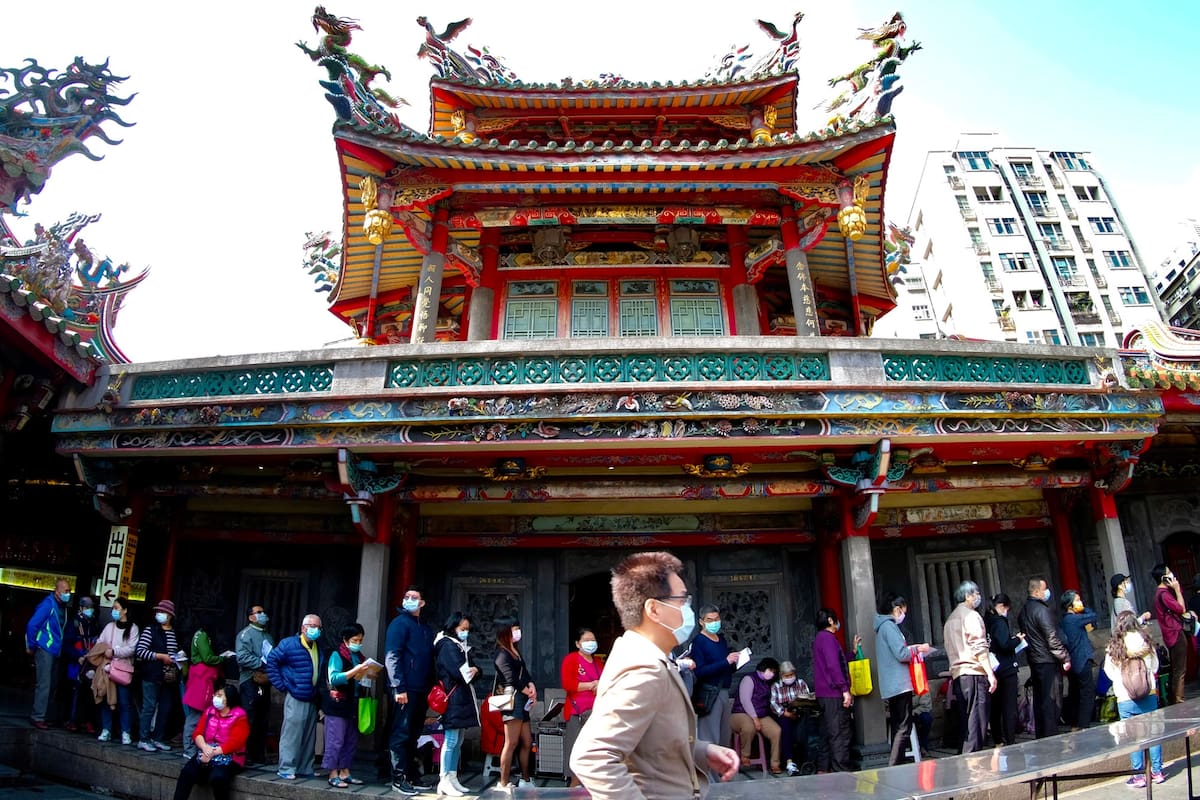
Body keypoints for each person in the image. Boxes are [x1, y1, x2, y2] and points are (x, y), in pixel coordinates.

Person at [570, 551, 738, 799]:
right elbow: (592, 757)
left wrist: (701, 751)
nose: (687, 608)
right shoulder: (643, 669)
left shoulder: (651, 657)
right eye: (682, 600)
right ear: (654, 609)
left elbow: (651, 745)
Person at [1103, 611, 1165, 788]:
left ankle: (1138, 775)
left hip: (1125, 697)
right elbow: (1155, 666)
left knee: (1131, 736)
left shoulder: (1115, 645)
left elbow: (1109, 671)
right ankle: (1157, 772)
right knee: (1153, 733)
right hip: (1148, 693)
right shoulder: (1146, 641)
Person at [385, 586, 435, 796]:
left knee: (414, 734)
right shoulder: (399, 623)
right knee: (401, 733)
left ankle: (412, 775)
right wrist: (398, 686)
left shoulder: (424, 628)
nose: (409, 600)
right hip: (405, 689)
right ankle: (398, 778)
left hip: (421, 689)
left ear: (422, 603)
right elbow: (392, 655)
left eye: (414, 597)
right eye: (407, 596)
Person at [874, 592, 933, 765]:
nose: (903, 615)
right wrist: (918, 649)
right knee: (903, 727)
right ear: (897, 609)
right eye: (903, 611)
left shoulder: (882, 627)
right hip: (899, 684)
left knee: (897, 726)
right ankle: (895, 764)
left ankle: (897, 762)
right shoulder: (889, 626)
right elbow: (901, 654)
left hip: (892, 684)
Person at [264, 613, 323, 780]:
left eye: (319, 627)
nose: (316, 630)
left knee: (309, 735)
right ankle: (286, 767)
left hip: (311, 696)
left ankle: (305, 767)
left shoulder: (317, 646)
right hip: (296, 695)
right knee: (292, 734)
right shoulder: (289, 644)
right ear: (303, 628)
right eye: (313, 626)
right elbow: (272, 661)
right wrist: (281, 685)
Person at [943, 580, 996, 754]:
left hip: (959, 674)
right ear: (968, 596)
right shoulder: (971, 616)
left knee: (966, 721)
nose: (978, 597)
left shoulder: (950, 620)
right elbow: (979, 647)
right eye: (976, 594)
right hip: (974, 672)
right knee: (977, 721)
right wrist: (990, 673)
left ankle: (966, 757)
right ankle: (974, 760)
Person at [172, 683, 249, 800]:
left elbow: (236, 742)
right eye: (215, 694)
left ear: (229, 699)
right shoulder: (209, 711)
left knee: (218, 778)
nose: (215, 698)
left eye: (220, 695)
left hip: (231, 756)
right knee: (187, 772)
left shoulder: (240, 716)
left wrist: (212, 753)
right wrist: (204, 747)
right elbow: (197, 733)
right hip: (206, 751)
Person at [1017, 576, 1070, 739]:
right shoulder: (1041, 610)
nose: (1047, 592)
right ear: (1036, 591)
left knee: (1040, 699)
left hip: (1034, 659)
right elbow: (1051, 636)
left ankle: (1041, 734)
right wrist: (1064, 657)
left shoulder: (1023, 611)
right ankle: (1050, 734)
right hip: (1047, 659)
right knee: (1051, 699)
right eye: (1044, 589)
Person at [434, 612, 479, 797]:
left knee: (458, 740)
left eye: (467, 629)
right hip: (453, 698)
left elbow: (474, 669)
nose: (465, 632)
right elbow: (462, 673)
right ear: (453, 627)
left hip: (461, 697)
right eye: (463, 629)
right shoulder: (448, 646)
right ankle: (444, 779)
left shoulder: (460, 646)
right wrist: (473, 671)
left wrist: (476, 670)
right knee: (451, 740)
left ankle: (452, 777)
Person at [321, 623, 370, 789]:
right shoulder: (337, 654)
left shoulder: (359, 656)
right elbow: (334, 678)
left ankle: (345, 771)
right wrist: (355, 671)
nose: (358, 643)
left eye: (360, 640)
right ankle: (332, 773)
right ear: (346, 640)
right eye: (355, 640)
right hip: (337, 703)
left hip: (353, 703)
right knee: (335, 740)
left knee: (350, 740)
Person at [812, 607, 859, 773]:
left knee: (826, 733)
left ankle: (823, 769)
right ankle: (841, 771)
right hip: (833, 693)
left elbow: (836, 662)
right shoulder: (828, 638)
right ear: (831, 620)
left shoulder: (819, 638)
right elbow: (833, 665)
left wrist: (853, 652)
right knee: (839, 734)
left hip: (824, 694)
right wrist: (844, 689)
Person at [493, 616, 536, 789]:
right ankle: (503, 782)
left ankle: (525, 779)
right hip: (512, 700)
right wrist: (527, 690)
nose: (518, 632)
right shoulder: (501, 653)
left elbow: (524, 672)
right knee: (511, 743)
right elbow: (509, 678)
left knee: (527, 741)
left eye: (518, 628)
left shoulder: (514, 650)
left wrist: (531, 685)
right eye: (514, 629)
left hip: (523, 699)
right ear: (505, 631)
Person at [689, 604, 739, 755]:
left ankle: (722, 767)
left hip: (724, 691)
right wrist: (725, 662)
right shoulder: (699, 641)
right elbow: (699, 671)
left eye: (716, 619)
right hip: (709, 692)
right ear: (701, 622)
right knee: (710, 738)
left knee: (724, 736)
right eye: (709, 620)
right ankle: (708, 770)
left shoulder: (721, 640)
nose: (714, 623)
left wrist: (734, 663)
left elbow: (725, 667)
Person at [136, 599, 184, 752]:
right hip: (151, 674)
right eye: (158, 611)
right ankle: (143, 738)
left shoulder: (175, 632)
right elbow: (140, 651)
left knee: (165, 708)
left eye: (163, 612)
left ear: (170, 615)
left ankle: (158, 738)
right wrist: (160, 656)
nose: (160, 614)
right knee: (149, 707)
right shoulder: (151, 630)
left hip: (169, 677)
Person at [561, 627, 604, 788]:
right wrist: (590, 685)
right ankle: (573, 786)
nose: (590, 643)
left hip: (596, 713)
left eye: (593, 640)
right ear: (578, 643)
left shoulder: (598, 662)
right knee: (576, 751)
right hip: (577, 713)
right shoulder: (571, 659)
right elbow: (568, 684)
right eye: (586, 640)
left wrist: (601, 685)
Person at [25, 577, 71, 729]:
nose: (68, 594)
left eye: (69, 591)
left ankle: (45, 716)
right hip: (45, 648)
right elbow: (32, 625)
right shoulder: (48, 605)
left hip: (55, 650)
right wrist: (32, 645)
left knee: (52, 684)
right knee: (44, 684)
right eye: (66, 591)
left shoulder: (62, 607)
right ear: (57, 591)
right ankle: (37, 716)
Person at [234, 604, 273, 765]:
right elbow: (242, 657)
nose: (263, 614)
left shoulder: (268, 636)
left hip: (265, 680)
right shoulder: (245, 634)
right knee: (249, 717)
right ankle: (245, 753)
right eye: (259, 612)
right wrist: (261, 663)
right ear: (251, 617)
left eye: (263, 612)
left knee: (263, 718)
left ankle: (259, 754)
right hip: (250, 680)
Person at [730, 657, 783, 774]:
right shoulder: (749, 679)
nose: (772, 674)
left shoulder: (767, 683)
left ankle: (775, 763)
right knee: (749, 727)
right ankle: (745, 755)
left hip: (761, 714)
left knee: (776, 731)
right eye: (770, 670)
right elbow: (745, 700)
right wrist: (754, 718)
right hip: (741, 713)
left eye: (774, 672)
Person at [96, 597, 138, 744]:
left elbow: (132, 649)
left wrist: (114, 651)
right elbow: (100, 642)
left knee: (124, 701)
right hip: (108, 669)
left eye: (116, 608)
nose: (113, 611)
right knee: (106, 699)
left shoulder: (133, 628)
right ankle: (106, 730)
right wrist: (105, 650)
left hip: (122, 671)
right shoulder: (109, 627)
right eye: (113, 608)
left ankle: (125, 732)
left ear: (125, 610)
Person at [984, 593, 1024, 746]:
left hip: (993, 667)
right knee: (1009, 706)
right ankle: (1010, 738)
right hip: (1006, 668)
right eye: (1007, 608)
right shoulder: (999, 622)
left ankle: (997, 739)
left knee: (995, 707)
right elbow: (1005, 644)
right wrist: (1017, 640)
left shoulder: (986, 621)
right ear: (1001, 606)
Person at [1151, 563, 1194, 704]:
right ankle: (1178, 699)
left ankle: (1174, 698)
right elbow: (1181, 608)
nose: (1172, 574)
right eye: (1169, 572)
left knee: (1176, 668)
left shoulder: (1161, 594)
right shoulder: (1163, 594)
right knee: (1180, 669)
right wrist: (1176, 589)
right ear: (1163, 578)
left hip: (1169, 635)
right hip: (1175, 633)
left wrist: (1175, 588)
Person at [182, 625, 226, 759]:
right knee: (194, 718)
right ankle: (189, 749)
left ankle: (193, 748)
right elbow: (207, 657)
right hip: (202, 682)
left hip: (201, 680)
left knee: (198, 718)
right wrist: (222, 658)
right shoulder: (202, 636)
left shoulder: (198, 634)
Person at [1059, 590, 1098, 730]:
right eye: (1077, 600)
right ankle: (1084, 724)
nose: (1080, 602)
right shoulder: (1074, 619)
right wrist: (1084, 608)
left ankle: (1074, 724)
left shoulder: (1064, 620)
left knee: (1074, 693)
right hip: (1082, 660)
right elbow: (1093, 615)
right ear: (1070, 605)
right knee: (1087, 694)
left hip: (1072, 661)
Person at [63, 596, 100, 733]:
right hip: (77, 662)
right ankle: (71, 720)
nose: (90, 610)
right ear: (81, 608)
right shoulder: (74, 623)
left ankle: (87, 721)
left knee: (90, 692)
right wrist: (77, 656)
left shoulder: (94, 623)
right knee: (75, 692)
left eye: (91, 607)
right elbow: (67, 645)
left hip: (91, 662)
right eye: (87, 607)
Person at [769, 660, 812, 776]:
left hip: (800, 713)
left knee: (805, 729)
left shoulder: (801, 683)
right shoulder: (776, 686)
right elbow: (773, 703)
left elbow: (807, 697)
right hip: (784, 715)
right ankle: (789, 761)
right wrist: (785, 713)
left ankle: (805, 759)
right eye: (786, 676)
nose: (789, 678)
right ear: (781, 676)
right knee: (785, 728)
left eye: (791, 675)